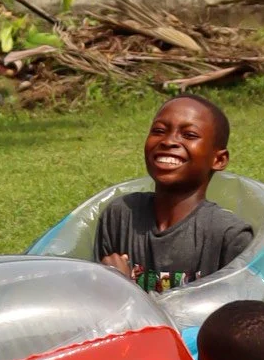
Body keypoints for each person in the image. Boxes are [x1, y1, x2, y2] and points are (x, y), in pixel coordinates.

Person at [94, 94, 253, 292]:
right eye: (159, 131)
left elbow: (235, 315)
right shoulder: (121, 215)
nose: (168, 141)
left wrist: (123, 285)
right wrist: (107, 279)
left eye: (189, 135)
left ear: (218, 160)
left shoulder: (229, 236)